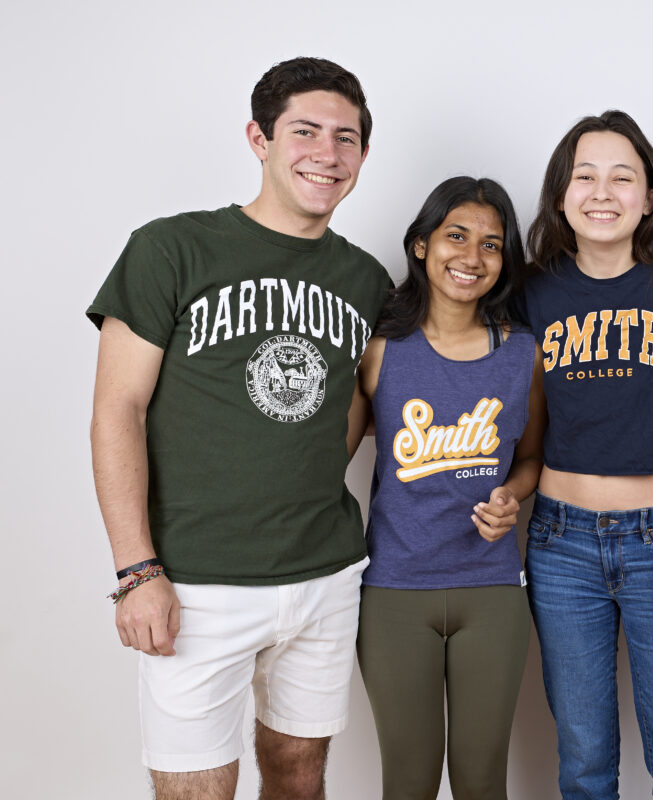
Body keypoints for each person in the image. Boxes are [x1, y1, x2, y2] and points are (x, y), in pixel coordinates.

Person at [87, 57, 390, 800]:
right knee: (196, 787)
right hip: (194, 582)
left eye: (346, 138)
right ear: (259, 138)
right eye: (306, 131)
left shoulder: (366, 280)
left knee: (299, 774)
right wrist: (137, 571)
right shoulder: (171, 249)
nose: (328, 154)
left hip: (324, 572)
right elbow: (115, 411)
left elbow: (360, 402)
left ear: (363, 155)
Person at [519, 110, 653, 799]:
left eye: (622, 177)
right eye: (585, 176)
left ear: (649, 197)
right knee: (583, 761)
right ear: (560, 195)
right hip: (558, 545)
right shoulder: (534, 289)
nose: (602, 192)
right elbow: (527, 416)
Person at [349, 176, 545, 800]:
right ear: (419, 246)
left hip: (491, 590)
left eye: (492, 244)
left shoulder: (521, 354)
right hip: (394, 590)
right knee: (407, 781)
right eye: (455, 236)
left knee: (482, 780)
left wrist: (512, 496)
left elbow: (533, 457)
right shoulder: (380, 352)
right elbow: (324, 461)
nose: (472, 256)